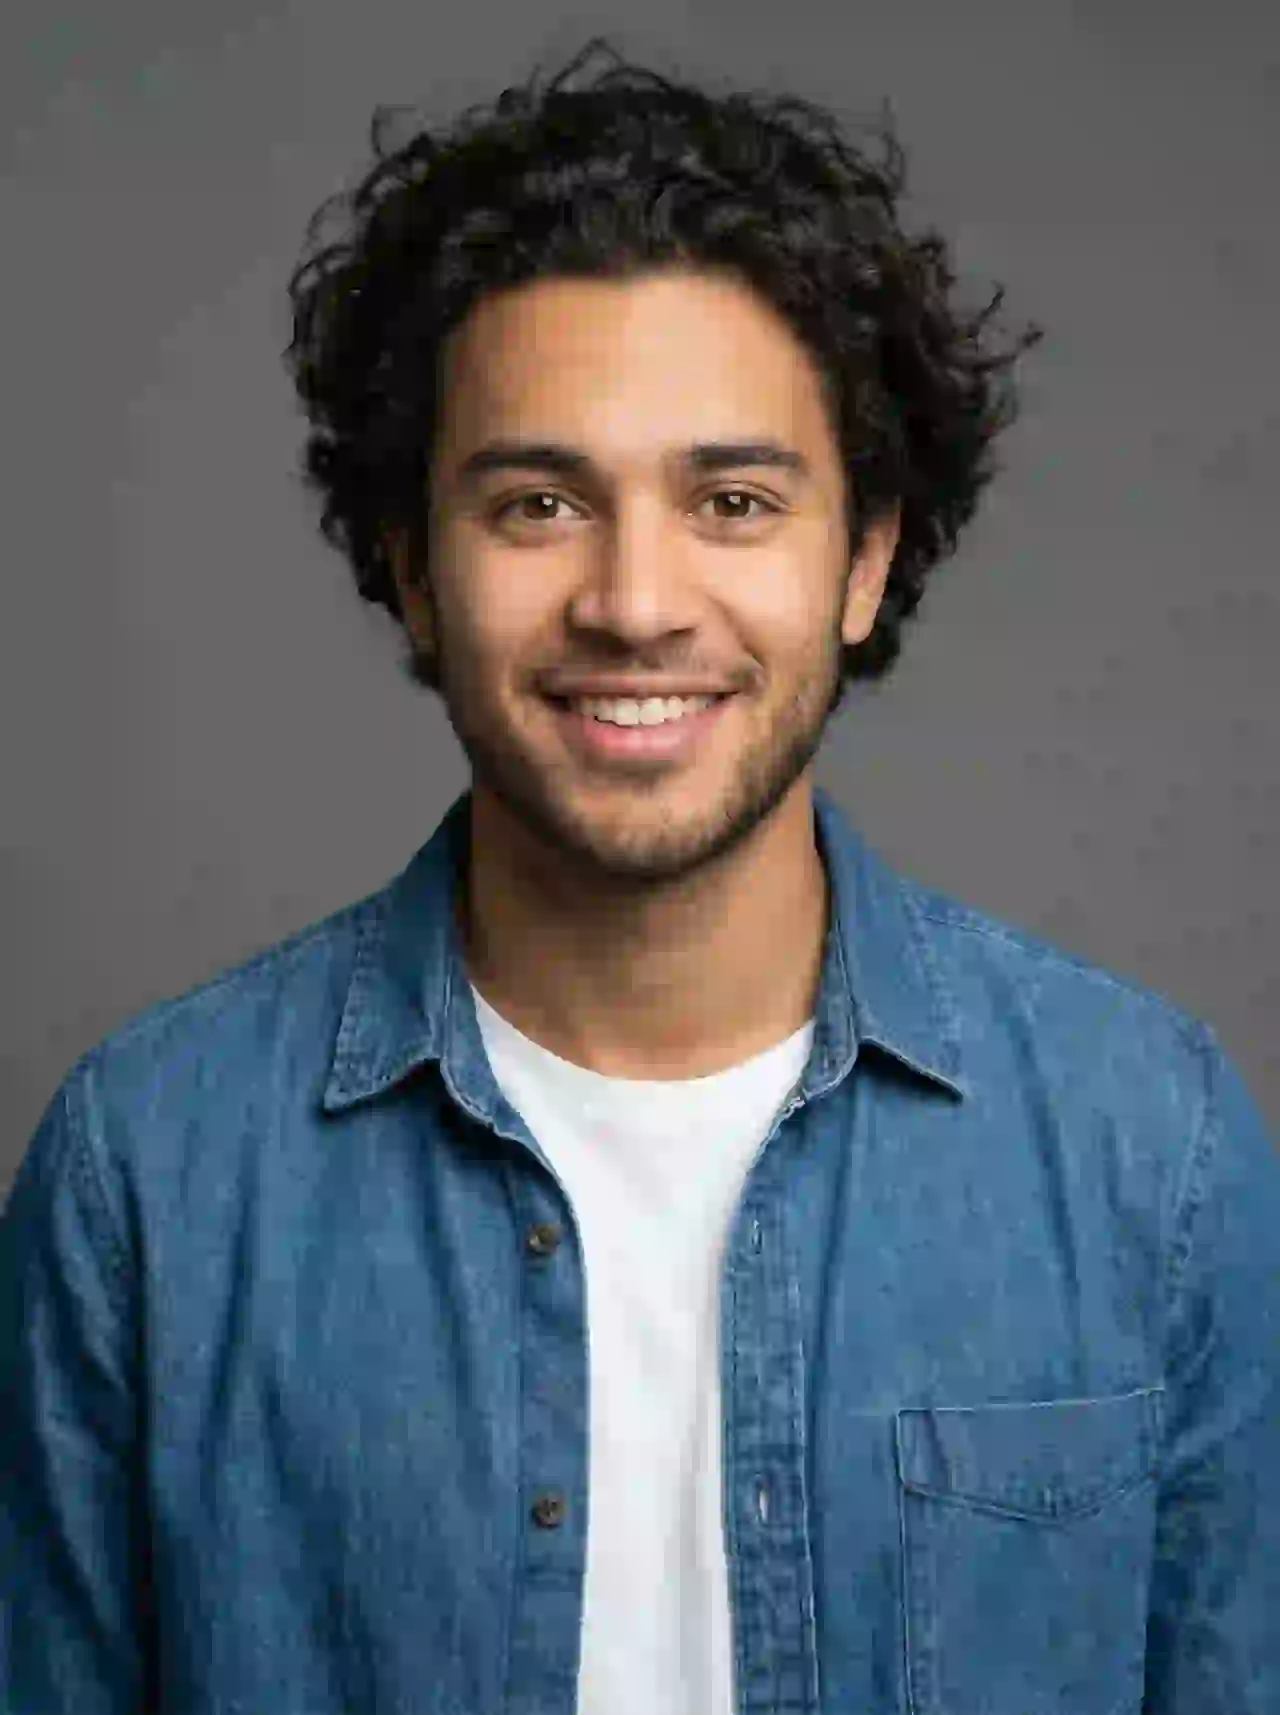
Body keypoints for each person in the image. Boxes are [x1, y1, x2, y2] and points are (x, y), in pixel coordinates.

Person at [2, 35, 1277, 1715]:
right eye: (539, 502)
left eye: (734, 499)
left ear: (866, 558)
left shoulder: (1152, 1152)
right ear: (411, 565)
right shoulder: (146, 1178)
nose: (636, 600)